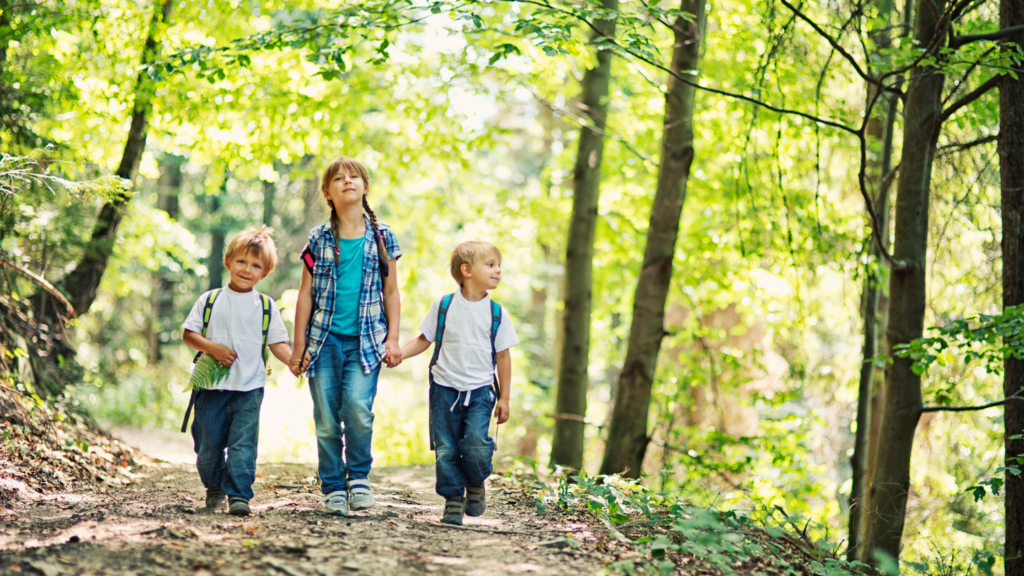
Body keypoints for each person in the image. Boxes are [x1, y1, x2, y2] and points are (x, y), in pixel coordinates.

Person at [290, 156, 402, 516]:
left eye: (354, 176)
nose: (347, 181)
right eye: (338, 179)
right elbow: (305, 294)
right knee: (325, 417)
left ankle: (358, 478)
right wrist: (298, 346)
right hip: (324, 342)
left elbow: (392, 292)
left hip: (366, 342)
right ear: (328, 193)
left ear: (365, 186)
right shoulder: (318, 238)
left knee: (357, 410)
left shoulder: (383, 236)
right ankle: (333, 486)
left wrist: (394, 338)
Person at [398, 241, 517, 525]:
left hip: (480, 392)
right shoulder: (444, 305)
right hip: (444, 388)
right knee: (446, 448)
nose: (498, 270)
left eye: (498, 265)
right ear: (466, 271)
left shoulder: (497, 313)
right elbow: (424, 340)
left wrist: (505, 398)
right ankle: (453, 499)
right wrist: (398, 354)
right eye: (490, 265)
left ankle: (475, 482)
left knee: (476, 443)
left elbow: (503, 357)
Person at [181, 226, 293, 517]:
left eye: (256, 265)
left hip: (249, 389)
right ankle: (214, 485)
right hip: (210, 391)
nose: (247, 269)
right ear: (228, 261)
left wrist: (294, 362)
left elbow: (279, 343)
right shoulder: (210, 300)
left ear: (264, 273)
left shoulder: (266, 306)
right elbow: (189, 334)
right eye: (242, 262)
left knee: (243, 446)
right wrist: (214, 349)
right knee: (208, 449)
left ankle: (239, 495)